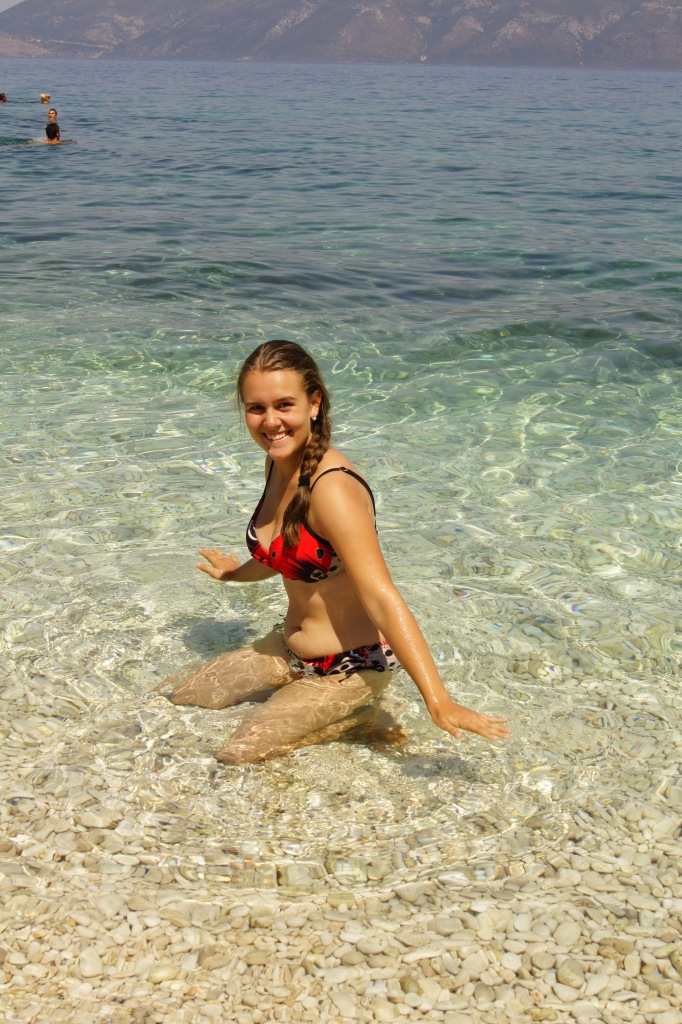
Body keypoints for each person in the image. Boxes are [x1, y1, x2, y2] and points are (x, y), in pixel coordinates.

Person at [161, 340, 511, 763]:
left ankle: (359, 718)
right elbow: (288, 556)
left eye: (284, 405)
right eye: (256, 408)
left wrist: (438, 700)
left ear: (314, 403)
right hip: (288, 649)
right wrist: (235, 575)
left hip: (351, 667)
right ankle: (333, 712)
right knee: (180, 696)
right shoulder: (278, 461)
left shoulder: (333, 491)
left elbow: (382, 598)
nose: (270, 422)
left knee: (238, 755)